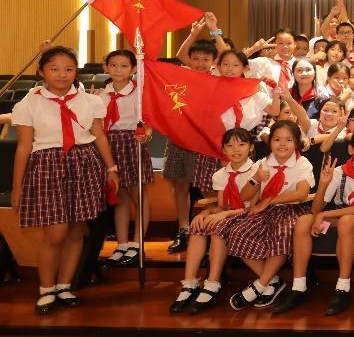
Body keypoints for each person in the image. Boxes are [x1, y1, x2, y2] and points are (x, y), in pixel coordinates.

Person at [12, 46, 118, 315]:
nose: (62, 74)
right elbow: (23, 147)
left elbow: (99, 135)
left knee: (76, 230)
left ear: (75, 71)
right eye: (54, 69)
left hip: (84, 164)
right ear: (41, 72)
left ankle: (64, 286)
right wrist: (17, 187)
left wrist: (111, 168)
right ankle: (46, 289)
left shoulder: (91, 101)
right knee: (55, 233)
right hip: (47, 166)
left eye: (68, 69)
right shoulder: (28, 103)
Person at [275, 127, 354, 316]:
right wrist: (323, 184)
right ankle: (299, 287)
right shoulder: (338, 171)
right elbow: (316, 209)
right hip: (342, 212)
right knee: (303, 221)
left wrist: (324, 216)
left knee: (346, 221)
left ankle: (343, 289)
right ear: (351, 149)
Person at [225, 120, 314, 311]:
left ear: (296, 142)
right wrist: (256, 179)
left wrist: (269, 201)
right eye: (277, 139)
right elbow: (244, 196)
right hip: (264, 211)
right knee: (237, 233)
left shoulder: (302, 163)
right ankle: (272, 281)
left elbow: (301, 193)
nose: (282, 144)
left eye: (288, 140)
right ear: (270, 141)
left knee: (282, 232)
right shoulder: (262, 163)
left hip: (291, 209)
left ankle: (259, 285)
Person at [170, 128, 256, 315]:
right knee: (198, 225)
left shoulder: (257, 171)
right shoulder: (221, 175)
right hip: (229, 215)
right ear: (223, 150)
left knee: (218, 227)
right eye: (230, 145)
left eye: (241, 144)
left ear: (251, 147)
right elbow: (222, 206)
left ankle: (212, 284)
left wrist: (222, 215)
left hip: (250, 216)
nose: (236, 149)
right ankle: (189, 283)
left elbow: (253, 207)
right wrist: (206, 212)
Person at [162, 41, 221, 253]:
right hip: (180, 136)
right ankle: (184, 230)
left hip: (206, 139)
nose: (200, 63)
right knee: (180, 184)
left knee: (209, 187)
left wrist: (214, 31)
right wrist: (194, 33)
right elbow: (180, 53)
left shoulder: (218, 80)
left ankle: (214, 228)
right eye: (195, 59)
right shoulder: (182, 76)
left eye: (205, 59)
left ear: (214, 61)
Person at [98, 49, 153, 267]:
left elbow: (150, 121)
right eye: (113, 65)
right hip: (109, 145)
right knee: (118, 195)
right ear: (106, 67)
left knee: (138, 194)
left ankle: (138, 243)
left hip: (132, 143)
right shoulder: (101, 95)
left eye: (124, 66)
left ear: (133, 68)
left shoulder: (140, 92)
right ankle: (121, 244)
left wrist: (146, 135)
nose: (118, 70)